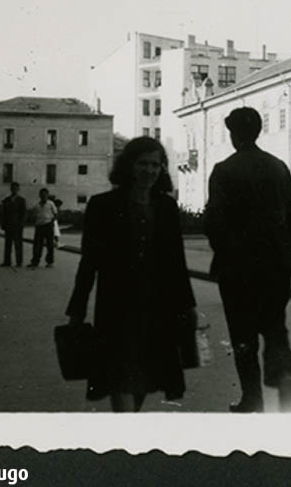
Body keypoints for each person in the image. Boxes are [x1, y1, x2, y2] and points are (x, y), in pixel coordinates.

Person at [66, 136, 196, 412]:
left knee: (144, 379)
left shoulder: (167, 207)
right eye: (143, 164)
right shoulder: (103, 206)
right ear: (129, 166)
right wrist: (77, 308)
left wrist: (188, 306)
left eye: (156, 165)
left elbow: (177, 264)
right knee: (121, 378)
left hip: (156, 309)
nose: (150, 171)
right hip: (117, 309)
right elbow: (89, 262)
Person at [204, 106, 291, 413]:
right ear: (258, 132)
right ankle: (285, 386)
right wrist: (281, 246)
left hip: (238, 268)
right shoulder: (278, 167)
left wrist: (225, 251)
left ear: (233, 135)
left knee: (243, 335)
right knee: (275, 328)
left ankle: (252, 399)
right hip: (276, 266)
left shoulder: (223, 170)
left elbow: (213, 222)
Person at [28, 188, 58, 268]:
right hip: (39, 226)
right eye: (42, 194)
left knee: (50, 245)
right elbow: (33, 215)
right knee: (37, 244)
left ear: (47, 195)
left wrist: (52, 223)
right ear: (39, 195)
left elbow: (55, 214)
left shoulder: (51, 204)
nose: (43, 196)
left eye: (45, 194)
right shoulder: (36, 205)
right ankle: (35, 261)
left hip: (48, 225)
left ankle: (50, 262)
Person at [0, 182, 27, 267]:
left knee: (18, 244)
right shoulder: (6, 200)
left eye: (16, 188)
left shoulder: (21, 200)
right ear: (10, 189)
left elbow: (23, 214)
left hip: (17, 225)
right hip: (8, 225)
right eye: (12, 188)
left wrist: (21, 224)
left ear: (18, 189)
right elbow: (3, 213)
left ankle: (19, 262)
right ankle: (7, 261)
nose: (14, 190)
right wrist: (3, 224)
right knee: (7, 244)